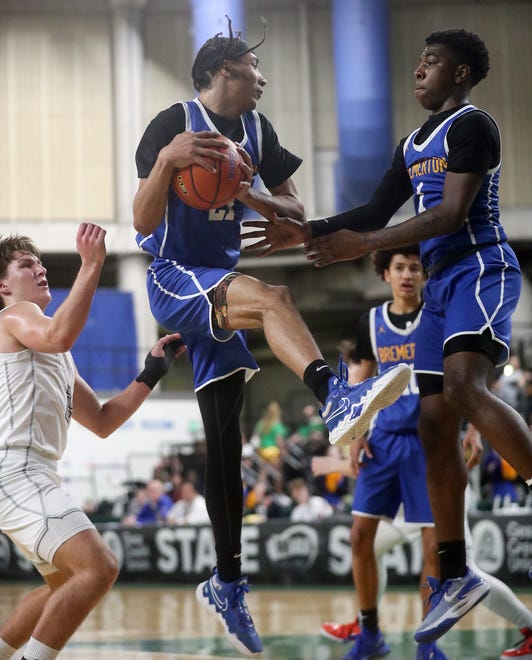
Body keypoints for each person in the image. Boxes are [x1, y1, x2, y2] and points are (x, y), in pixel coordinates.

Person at [132, 18, 410, 658]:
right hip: (174, 274)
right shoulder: (171, 124)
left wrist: (251, 193)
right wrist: (172, 162)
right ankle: (332, 393)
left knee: (224, 444)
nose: (263, 80)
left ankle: (227, 580)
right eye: (255, 71)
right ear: (227, 70)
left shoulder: (257, 132)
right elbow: (142, 219)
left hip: (220, 275)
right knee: (278, 297)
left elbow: (294, 212)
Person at [244, 28, 532, 642]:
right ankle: (453, 574)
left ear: (460, 74)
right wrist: (311, 231)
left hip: (481, 267)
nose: (419, 71)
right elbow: (373, 213)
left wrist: (364, 246)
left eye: (433, 63)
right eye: (419, 62)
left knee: (460, 389)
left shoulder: (473, 126)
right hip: (440, 288)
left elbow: (451, 215)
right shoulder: (412, 143)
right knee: (433, 424)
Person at [0, 224, 184, 660]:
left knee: (63, 585)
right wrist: (93, 263)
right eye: (27, 265)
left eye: (41, 263)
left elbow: (103, 420)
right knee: (98, 567)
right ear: (3, 286)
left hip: (34, 474)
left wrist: (150, 374)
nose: (40, 269)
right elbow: (58, 333)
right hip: (15, 472)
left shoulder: (54, 352)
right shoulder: (15, 316)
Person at [317, 246, 445, 660]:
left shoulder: (439, 317)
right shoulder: (370, 322)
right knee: (359, 538)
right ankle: (370, 633)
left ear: (424, 275)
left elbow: (462, 378)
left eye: (415, 267)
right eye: (400, 267)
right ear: (385, 273)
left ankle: (428, 644)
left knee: (432, 548)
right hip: (383, 441)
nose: (408, 274)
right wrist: (355, 439)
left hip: (428, 440)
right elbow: (360, 385)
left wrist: (472, 430)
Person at [315, 425, 532, 660]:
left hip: (437, 476)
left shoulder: (417, 403)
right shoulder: (380, 410)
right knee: (369, 545)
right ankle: (365, 625)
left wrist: (474, 428)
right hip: (407, 488)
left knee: (464, 573)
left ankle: (528, 626)